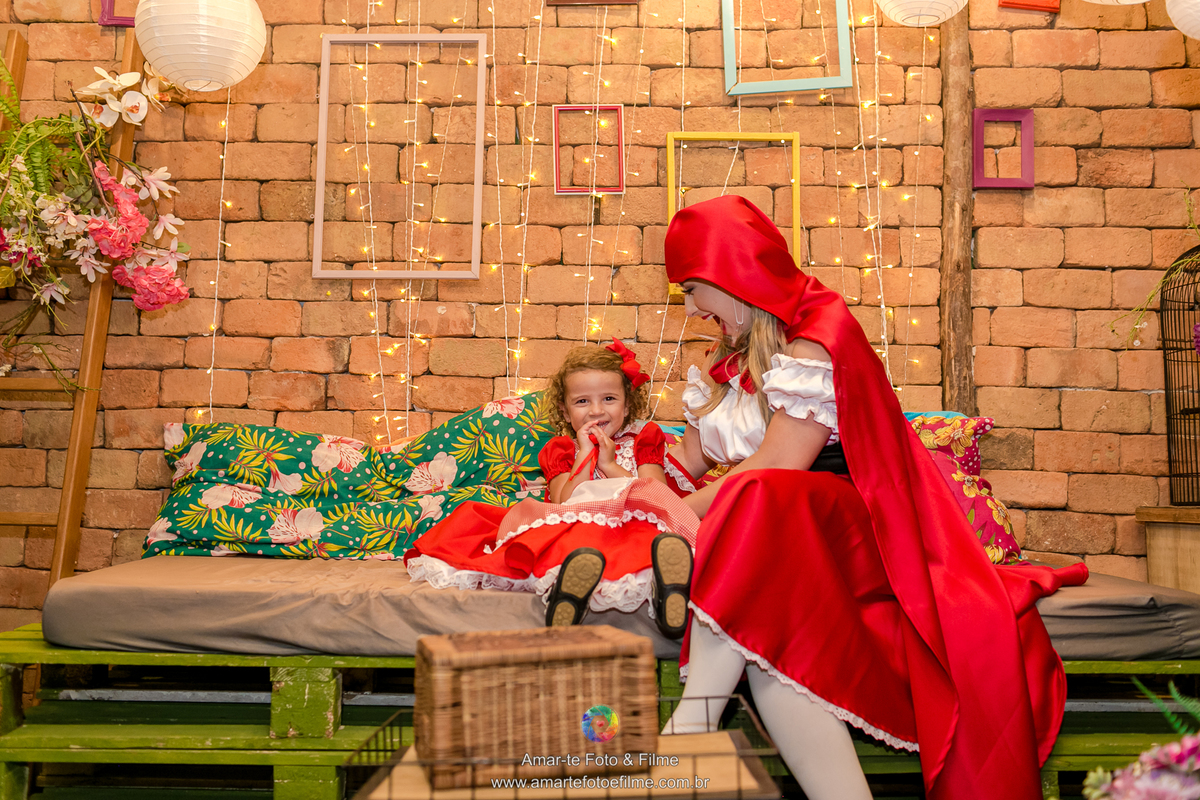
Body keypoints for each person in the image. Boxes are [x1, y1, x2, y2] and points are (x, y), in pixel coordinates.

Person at [659, 195, 1088, 800]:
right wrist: (634, 486)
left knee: (759, 494)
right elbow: (693, 460)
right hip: (779, 541)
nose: (692, 308)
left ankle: (692, 722)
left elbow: (781, 464)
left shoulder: (818, 337)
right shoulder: (727, 361)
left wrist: (673, 513)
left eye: (695, 289)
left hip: (855, 529)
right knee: (770, 651)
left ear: (734, 277)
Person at [405, 339, 697, 638]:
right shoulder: (562, 450)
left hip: (632, 526)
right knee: (565, 538)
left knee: (652, 539)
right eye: (582, 402)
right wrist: (585, 455)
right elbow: (564, 503)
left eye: (609, 399)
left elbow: (658, 496)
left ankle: (666, 589)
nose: (596, 411)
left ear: (627, 404)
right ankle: (570, 589)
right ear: (565, 410)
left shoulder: (643, 439)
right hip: (580, 526)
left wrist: (609, 464)